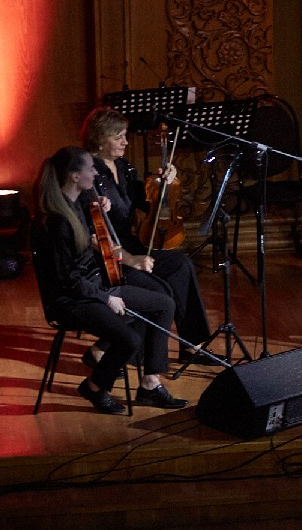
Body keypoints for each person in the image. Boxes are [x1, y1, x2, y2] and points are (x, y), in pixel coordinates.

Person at [33, 146, 188, 413]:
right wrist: (106, 298)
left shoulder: (76, 205)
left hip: (93, 288)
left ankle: (150, 383)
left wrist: (98, 211)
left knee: (164, 304)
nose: (96, 172)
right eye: (90, 168)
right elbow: (68, 279)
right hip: (72, 300)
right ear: (74, 176)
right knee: (130, 340)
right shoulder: (56, 222)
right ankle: (94, 387)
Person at [83, 107, 212, 353]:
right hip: (106, 256)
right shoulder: (88, 173)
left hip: (131, 243)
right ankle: (109, 347)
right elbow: (91, 235)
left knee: (181, 265)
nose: (126, 142)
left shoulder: (124, 167)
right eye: (118, 137)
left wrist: (164, 184)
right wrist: (131, 260)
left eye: (125, 135)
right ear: (99, 139)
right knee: (158, 290)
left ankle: (192, 342)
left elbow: (148, 202)